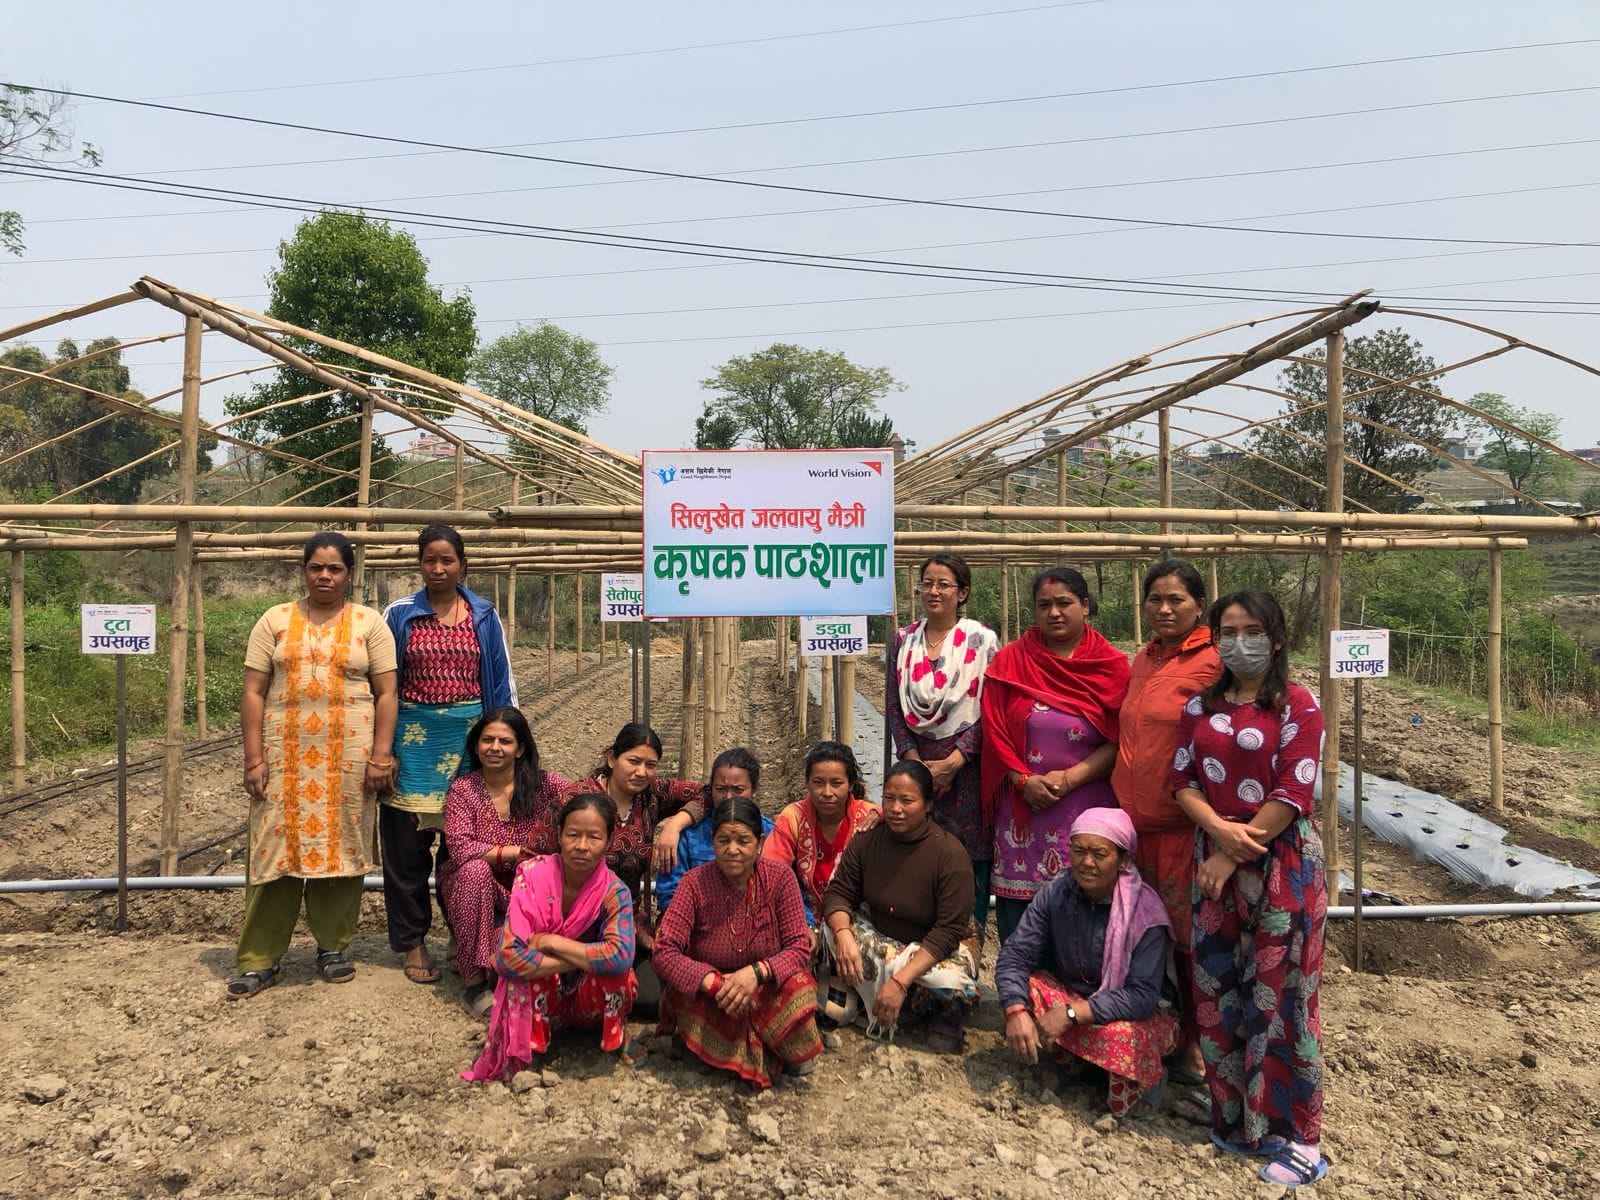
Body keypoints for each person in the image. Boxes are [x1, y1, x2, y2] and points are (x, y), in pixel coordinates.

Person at [1171, 589, 1329, 1189]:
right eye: (1227, 630)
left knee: (1283, 996)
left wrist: (1232, 852)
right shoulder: (1198, 708)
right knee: (1219, 991)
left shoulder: (1298, 705)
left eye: (1251, 629)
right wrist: (1214, 837)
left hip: (1280, 866)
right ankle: (1237, 1119)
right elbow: (1182, 781)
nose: (1238, 641)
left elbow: (1293, 793)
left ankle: (1300, 1137)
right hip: (1212, 864)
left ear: (1278, 637)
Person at [228, 532, 398, 998]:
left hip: (349, 758)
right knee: (273, 849)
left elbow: (387, 693)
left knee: (342, 845)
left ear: (349, 573)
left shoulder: (369, 624)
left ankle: (332, 948)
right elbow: (253, 691)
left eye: (334, 568)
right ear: (303, 571)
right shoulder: (275, 620)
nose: (324, 575)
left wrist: (382, 755)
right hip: (283, 758)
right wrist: (253, 758)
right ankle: (260, 958)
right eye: (316, 567)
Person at [382, 525, 518, 985]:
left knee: (462, 851)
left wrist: (505, 740)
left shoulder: (483, 615)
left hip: (467, 747)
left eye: (447, 560)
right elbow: (382, 686)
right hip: (412, 744)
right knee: (405, 853)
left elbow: (501, 680)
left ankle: (466, 933)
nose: (438, 569)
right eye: (429, 560)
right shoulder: (400, 615)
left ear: (463, 564)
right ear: (419, 564)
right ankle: (413, 940)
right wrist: (382, 749)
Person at [1110, 558, 1221, 1081]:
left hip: (1183, 827)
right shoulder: (1145, 659)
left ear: (1199, 605)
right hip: (1137, 826)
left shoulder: (1213, 662)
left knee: (1187, 938)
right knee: (1142, 932)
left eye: (1176, 599)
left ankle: (1195, 1046)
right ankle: (1157, 1029)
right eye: (1155, 598)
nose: (1164, 608)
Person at [996, 808, 1179, 1118]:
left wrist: (1072, 1013)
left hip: (1132, 1017)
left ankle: (1122, 1078)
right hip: (1074, 1000)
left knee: (1126, 1037)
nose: (1087, 862)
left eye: (1099, 853)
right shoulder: (1056, 893)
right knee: (1026, 989)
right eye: (1079, 851)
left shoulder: (1146, 914)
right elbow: (1015, 955)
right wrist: (1014, 1010)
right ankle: (1080, 1062)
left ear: (1123, 861)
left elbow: (1143, 997)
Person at [981, 567, 1132, 943]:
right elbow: (994, 726)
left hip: (1085, 806)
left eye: (1064, 603)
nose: (1054, 613)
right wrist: (1022, 779)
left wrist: (1069, 778)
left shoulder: (1111, 667)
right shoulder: (1012, 660)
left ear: (1085, 606)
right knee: (1020, 923)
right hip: (1023, 807)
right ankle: (1019, 996)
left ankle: (1074, 997)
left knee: (1084, 911)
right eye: (1044, 605)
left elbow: (1121, 738)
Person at [463, 793, 637, 1082]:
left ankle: (607, 1036)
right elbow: (507, 958)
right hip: (547, 995)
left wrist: (551, 942)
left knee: (619, 976)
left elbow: (620, 959)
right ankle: (533, 1045)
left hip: (586, 1001)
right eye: (573, 834)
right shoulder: (531, 876)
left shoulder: (614, 892)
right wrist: (583, 958)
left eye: (593, 837)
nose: (582, 846)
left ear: (608, 842)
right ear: (559, 835)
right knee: (525, 975)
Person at [653, 797, 823, 1090]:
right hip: (713, 993)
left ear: (759, 842)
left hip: (763, 984)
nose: (733, 850)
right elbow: (665, 950)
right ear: (713, 841)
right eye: (724, 840)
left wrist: (755, 974)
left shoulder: (781, 878)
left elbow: (798, 945)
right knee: (686, 990)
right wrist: (713, 983)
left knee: (800, 985)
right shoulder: (693, 883)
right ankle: (712, 1047)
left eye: (743, 841)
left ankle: (770, 1046)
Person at [822, 760, 978, 1053]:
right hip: (881, 940)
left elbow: (948, 930)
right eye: (889, 798)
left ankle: (926, 1009)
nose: (895, 808)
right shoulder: (868, 840)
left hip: (929, 950)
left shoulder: (950, 855)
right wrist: (843, 935)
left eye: (907, 801)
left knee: (951, 982)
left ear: (928, 804)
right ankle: (867, 994)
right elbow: (839, 892)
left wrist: (900, 981)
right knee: (830, 931)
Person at [886, 552, 999, 938]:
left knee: (968, 854)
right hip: (916, 771)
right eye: (927, 583)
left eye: (943, 584)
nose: (933, 591)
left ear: (962, 592)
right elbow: (893, 708)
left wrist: (954, 761)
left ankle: (968, 941)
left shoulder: (982, 640)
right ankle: (918, 941)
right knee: (918, 851)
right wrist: (916, 765)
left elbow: (991, 710)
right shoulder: (903, 639)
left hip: (966, 771)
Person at [438, 708, 570, 1018]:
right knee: (474, 870)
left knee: (510, 963)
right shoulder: (464, 789)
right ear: (476, 745)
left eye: (505, 741)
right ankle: (473, 981)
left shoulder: (544, 785)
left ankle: (490, 956)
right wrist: (520, 852)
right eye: (487, 740)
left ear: (520, 748)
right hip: (472, 887)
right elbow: (460, 848)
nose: (495, 748)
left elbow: (583, 798)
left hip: (526, 892)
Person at [534, 724, 705, 961]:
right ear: (612, 759)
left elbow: (709, 792)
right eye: (633, 761)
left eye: (650, 765)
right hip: (569, 915)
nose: (641, 772)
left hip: (626, 919)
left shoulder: (650, 796)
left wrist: (676, 824)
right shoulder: (576, 800)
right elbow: (532, 857)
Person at [762, 741, 879, 923]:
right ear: (807, 783)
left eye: (836, 783)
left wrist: (883, 814)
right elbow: (770, 874)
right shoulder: (793, 818)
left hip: (858, 919)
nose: (827, 792)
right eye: (818, 782)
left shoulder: (869, 817)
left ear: (850, 785)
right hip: (804, 915)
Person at [654, 747, 773, 915]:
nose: (728, 797)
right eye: (721, 789)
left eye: (738, 790)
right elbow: (669, 892)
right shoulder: (688, 836)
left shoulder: (771, 834)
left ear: (753, 790)